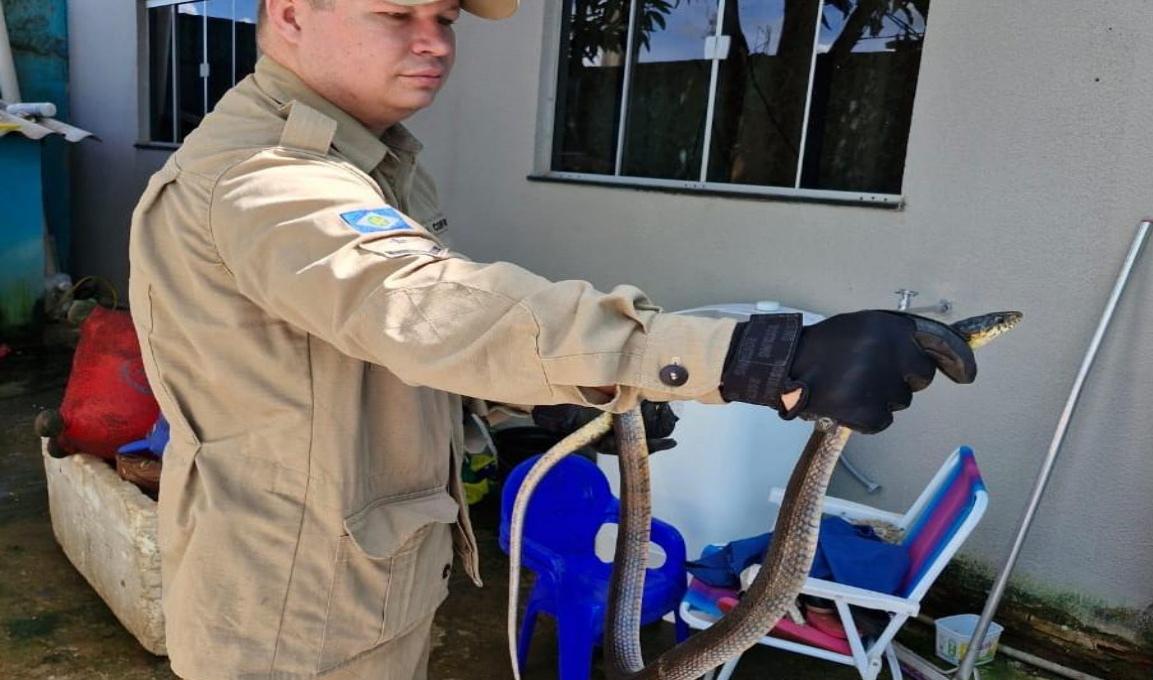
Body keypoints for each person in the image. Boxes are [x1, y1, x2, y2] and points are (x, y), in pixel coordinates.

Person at [127, 0, 977, 678]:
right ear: (289, 13)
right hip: (293, 621)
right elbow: (430, 307)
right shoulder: (268, 180)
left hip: (347, 588)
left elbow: (370, 350)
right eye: (397, 14)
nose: (433, 42)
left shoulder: (368, 161)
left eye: (446, 19)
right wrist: (755, 356)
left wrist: (546, 401)